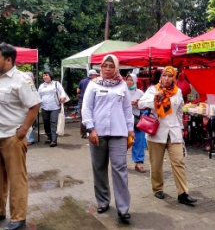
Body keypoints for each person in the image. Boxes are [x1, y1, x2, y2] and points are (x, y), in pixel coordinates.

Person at [82, 54, 134, 224]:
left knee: (120, 168)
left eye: (111, 66)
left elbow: (127, 109)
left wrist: (130, 130)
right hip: (98, 133)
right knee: (99, 168)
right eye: (105, 66)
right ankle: (103, 202)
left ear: (116, 68)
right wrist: (90, 129)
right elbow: (86, 108)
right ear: (100, 67)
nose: (107, 69)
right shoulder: (93, 84)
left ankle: (123, 208)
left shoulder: (122, 86)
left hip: (119, 133)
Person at [138, 66, 197, 205]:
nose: (166, 78)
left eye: (170, 76)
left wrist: (181, 130)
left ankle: (182, 193)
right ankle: (157, 188)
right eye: (164, 75)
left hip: (174, 132)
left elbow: (179, 112)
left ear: (174, 78)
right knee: (156, 164)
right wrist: (154, 98)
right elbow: (140, 104)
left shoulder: (178, 92)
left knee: (178, 161)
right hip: (157, 132)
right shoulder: (153, 90)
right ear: (161, 77)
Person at [0, 43, 41, 230]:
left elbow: (34, 105)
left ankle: (18, 217)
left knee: (16, 178)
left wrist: (23, 130)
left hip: (12, 137)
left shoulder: (21, 79)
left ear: (8, 59)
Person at [38, 70, 68, 147]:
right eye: (44, 76)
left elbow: (62, 92)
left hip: (54, 107)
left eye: (46, 75)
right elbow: (38, 96)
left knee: (53, 122)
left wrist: (63, 97)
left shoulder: (56, 84)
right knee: (46, 123)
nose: (45, 77)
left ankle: (54, 140)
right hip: (44, 107)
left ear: (50, 76)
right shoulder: (41, 86)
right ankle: (49, 137)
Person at [126, 73, 146, 173]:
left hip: (137, 119)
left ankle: (139, 163)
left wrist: (138, 103)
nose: (129, 82)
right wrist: (129, 104)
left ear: (135, 81)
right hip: (124, 119)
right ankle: (120, 162)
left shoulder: (140, 93)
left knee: (139, 141)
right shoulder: (123, 91)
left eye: (131, 80)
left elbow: (145, 105)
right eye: (128, 80)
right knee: (123, 141)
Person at [77, 69, 99, 138]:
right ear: (92, 75)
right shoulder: (94, 82)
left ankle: (83, 133)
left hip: (82, 100)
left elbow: (78, 91)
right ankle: (92, 131)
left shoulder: (82, 81)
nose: (96, 76)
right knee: (93, 115)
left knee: (83, 116)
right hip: (92, 102)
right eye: (95, 75)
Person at [24, 71, 36, 145]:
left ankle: (30, 139)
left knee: (29, 124)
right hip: (26, 107)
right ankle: (28, 139)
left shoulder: (31, 86)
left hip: (30, 107)